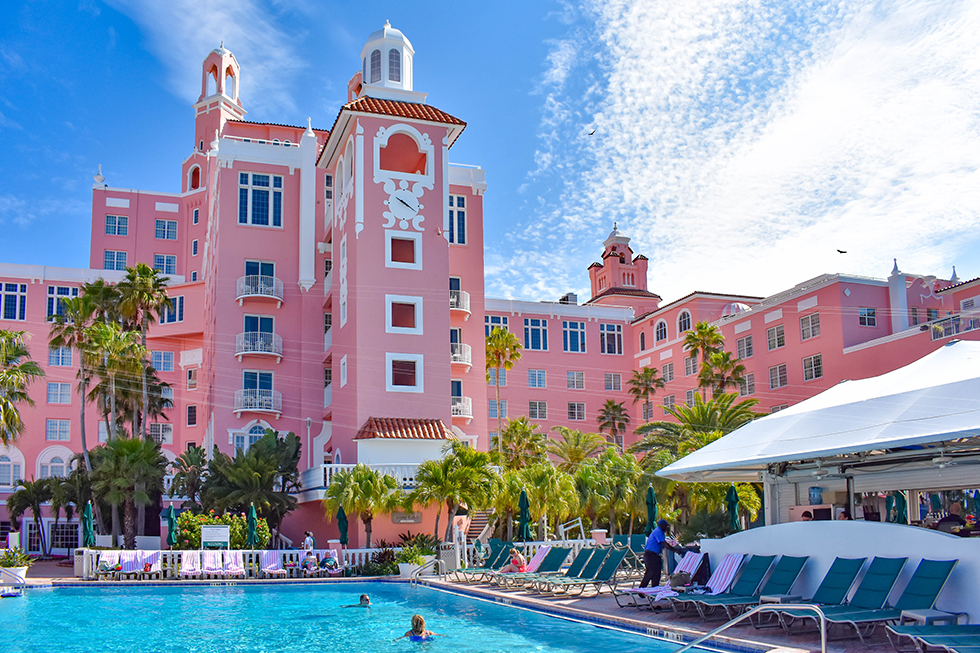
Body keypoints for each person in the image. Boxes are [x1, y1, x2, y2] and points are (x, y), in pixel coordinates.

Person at [639, 519, 686, 588]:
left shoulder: (660, 532)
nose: (666, 528)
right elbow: (664, 543)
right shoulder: (658, 531)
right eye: (665, 526)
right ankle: (641, 588)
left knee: (657, 573)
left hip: (655, 555)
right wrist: (675, 550)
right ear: (662, 526)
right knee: (651, 572)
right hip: (651, 555)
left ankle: (655, 588)